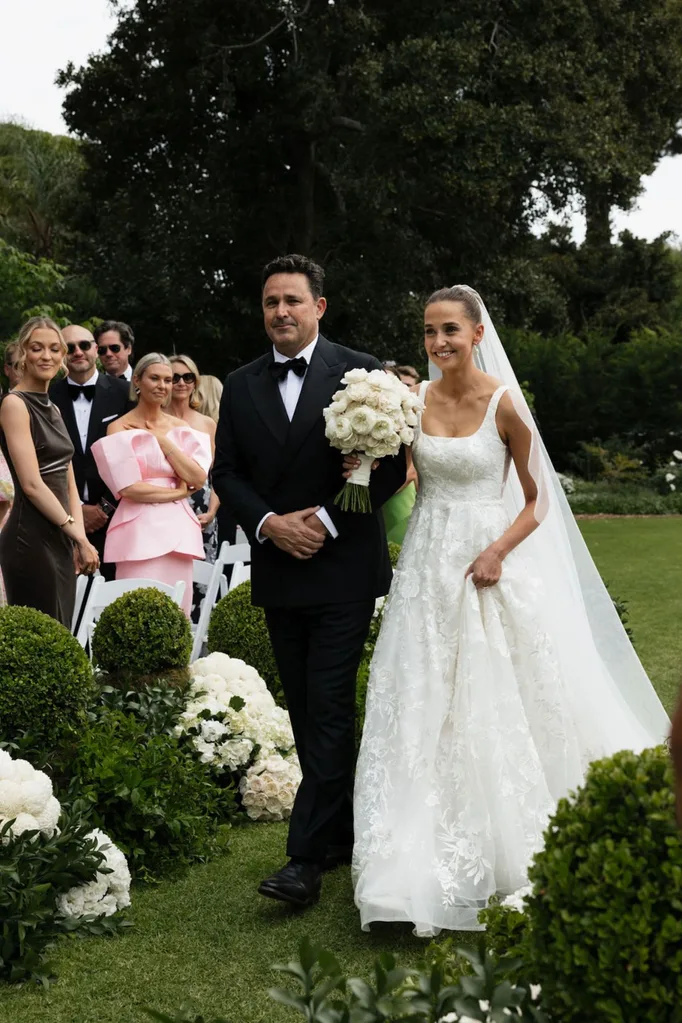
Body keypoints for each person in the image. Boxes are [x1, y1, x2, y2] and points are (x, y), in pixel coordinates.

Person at [352, 285, 669, 937]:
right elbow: (395, 474)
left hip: (486, 563)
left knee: (493, 694)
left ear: (476, 333)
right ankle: (404, 862)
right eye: (428, 331)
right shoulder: (412, 401)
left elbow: (537, 498)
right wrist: (358, 462)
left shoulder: (504, 402)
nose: (438, 342)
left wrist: (497, 550)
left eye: (449, 330)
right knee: (420, 694)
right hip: (426, 567)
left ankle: (507, 843)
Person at [212, 254, 406, 910]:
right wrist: (269, 524)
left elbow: (388, 467)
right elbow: (226, 472)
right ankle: (343, 831)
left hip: (343, 566)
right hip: (279, 568)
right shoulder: (240, 384)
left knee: (326, 702)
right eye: (271, 302)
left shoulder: (362, 373)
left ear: (318, 306)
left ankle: (303, 860)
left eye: (292, 300)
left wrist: (322, 520)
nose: (281, 312)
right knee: (304, 706)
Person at [91, 353, 211, 616]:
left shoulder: (182, 428)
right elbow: (128, 488)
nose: (163, 386)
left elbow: (198, 477)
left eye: (167, 380)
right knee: (135, 612)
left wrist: (163, 441)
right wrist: (177, 492)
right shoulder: (119, 427)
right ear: (137, 381)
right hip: (136, 531)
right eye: (155, 378)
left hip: (179, 533)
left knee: (177, 613)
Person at [0, 317, 99, 626]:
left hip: (61, 537)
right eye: (37, 348)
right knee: (41, 636)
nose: (46, 356)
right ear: (23, 353)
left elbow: (70, 482)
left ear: (62, 356)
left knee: (61, 632)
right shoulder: (14, 404)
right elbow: (31, 484)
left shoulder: (54, 407)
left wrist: (78, 538)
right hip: (29, 537)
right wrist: (77, 535)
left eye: (55, 349)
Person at [49, 325, 130, 580]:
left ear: (95, 349)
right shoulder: (47, 396)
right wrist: (76, 510)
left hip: (116, 518)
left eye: (84, 345)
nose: (77, 352)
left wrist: (104, 507)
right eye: (69, 347)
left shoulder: (125, 393)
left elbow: (132, 457)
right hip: (61, 519)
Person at [168, 354, 220, 564]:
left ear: (195, 382)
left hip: (203, 513)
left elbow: (217, 474)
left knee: (203, 576)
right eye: (175, 377)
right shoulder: (154, 420)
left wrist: (212, 511)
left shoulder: (207, 423)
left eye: (187, 377)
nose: (181, 382)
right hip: (165, 509)